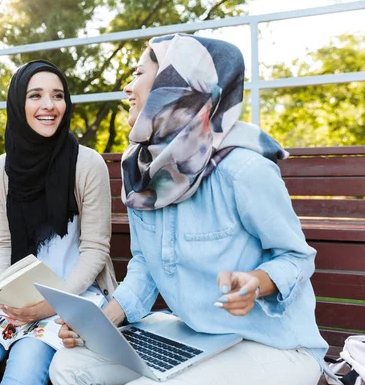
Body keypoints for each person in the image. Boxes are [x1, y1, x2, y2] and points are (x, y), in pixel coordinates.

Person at [49, 34, 328, 384]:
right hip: (196, 335)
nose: (127, 87)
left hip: (273, 344)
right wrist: (105, 318)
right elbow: (146, 266)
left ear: (172, 84)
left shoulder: (243, 169)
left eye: (138, 73)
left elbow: (297, 258)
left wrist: (257, 283)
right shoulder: (141, 170)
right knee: (68, 366)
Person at [0, 59, 118, 385]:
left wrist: (50, 304)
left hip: (74, 294)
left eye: (58, 96)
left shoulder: (87, 164)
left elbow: (96, 249)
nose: (49, 105)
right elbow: (4, 241)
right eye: (36, 95)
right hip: (17, 296)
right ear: (18, 103)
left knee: (26, 366)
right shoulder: (1, 170)